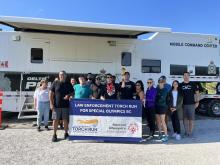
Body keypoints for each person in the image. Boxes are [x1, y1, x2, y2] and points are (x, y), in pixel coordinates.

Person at [49, 71, 74, 142]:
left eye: (63, 75)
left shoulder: (68, 84)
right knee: (55, 120)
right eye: (60, 75)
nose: (61, 76)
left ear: (65, 76)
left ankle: (66, 133)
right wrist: (51, 104)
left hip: (66, 106)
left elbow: (73, 92)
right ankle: (54, 135)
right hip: (56, 106)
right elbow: (51, 94)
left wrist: (68, 95)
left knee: (65, 120)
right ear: (59, 75)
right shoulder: (55, 83)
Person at [179, 72, 200, 138]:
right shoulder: (180, 85)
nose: (186, 76)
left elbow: (197, 93)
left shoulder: (193, 84)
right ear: (183, 76)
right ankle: (186, 131)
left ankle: (190, 132)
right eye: (184, 75)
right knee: (185, 119)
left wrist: (197, 102)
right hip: (183, 105)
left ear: (189, 76)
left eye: (187, 75)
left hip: (191, 104)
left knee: (191, 119)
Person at [155, 77, 169, 142]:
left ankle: (166, 135)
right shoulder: (156, 89)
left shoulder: (165, 89)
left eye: (162, 82)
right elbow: (155, 97)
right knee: (158, 121)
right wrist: (157, 98)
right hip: (156, 106)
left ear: (164, 83)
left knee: (163, 121)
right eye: (159, 82)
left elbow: (162, 99)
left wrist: (157, 98)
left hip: (163, 107)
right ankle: (160, 133)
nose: (160, 83)